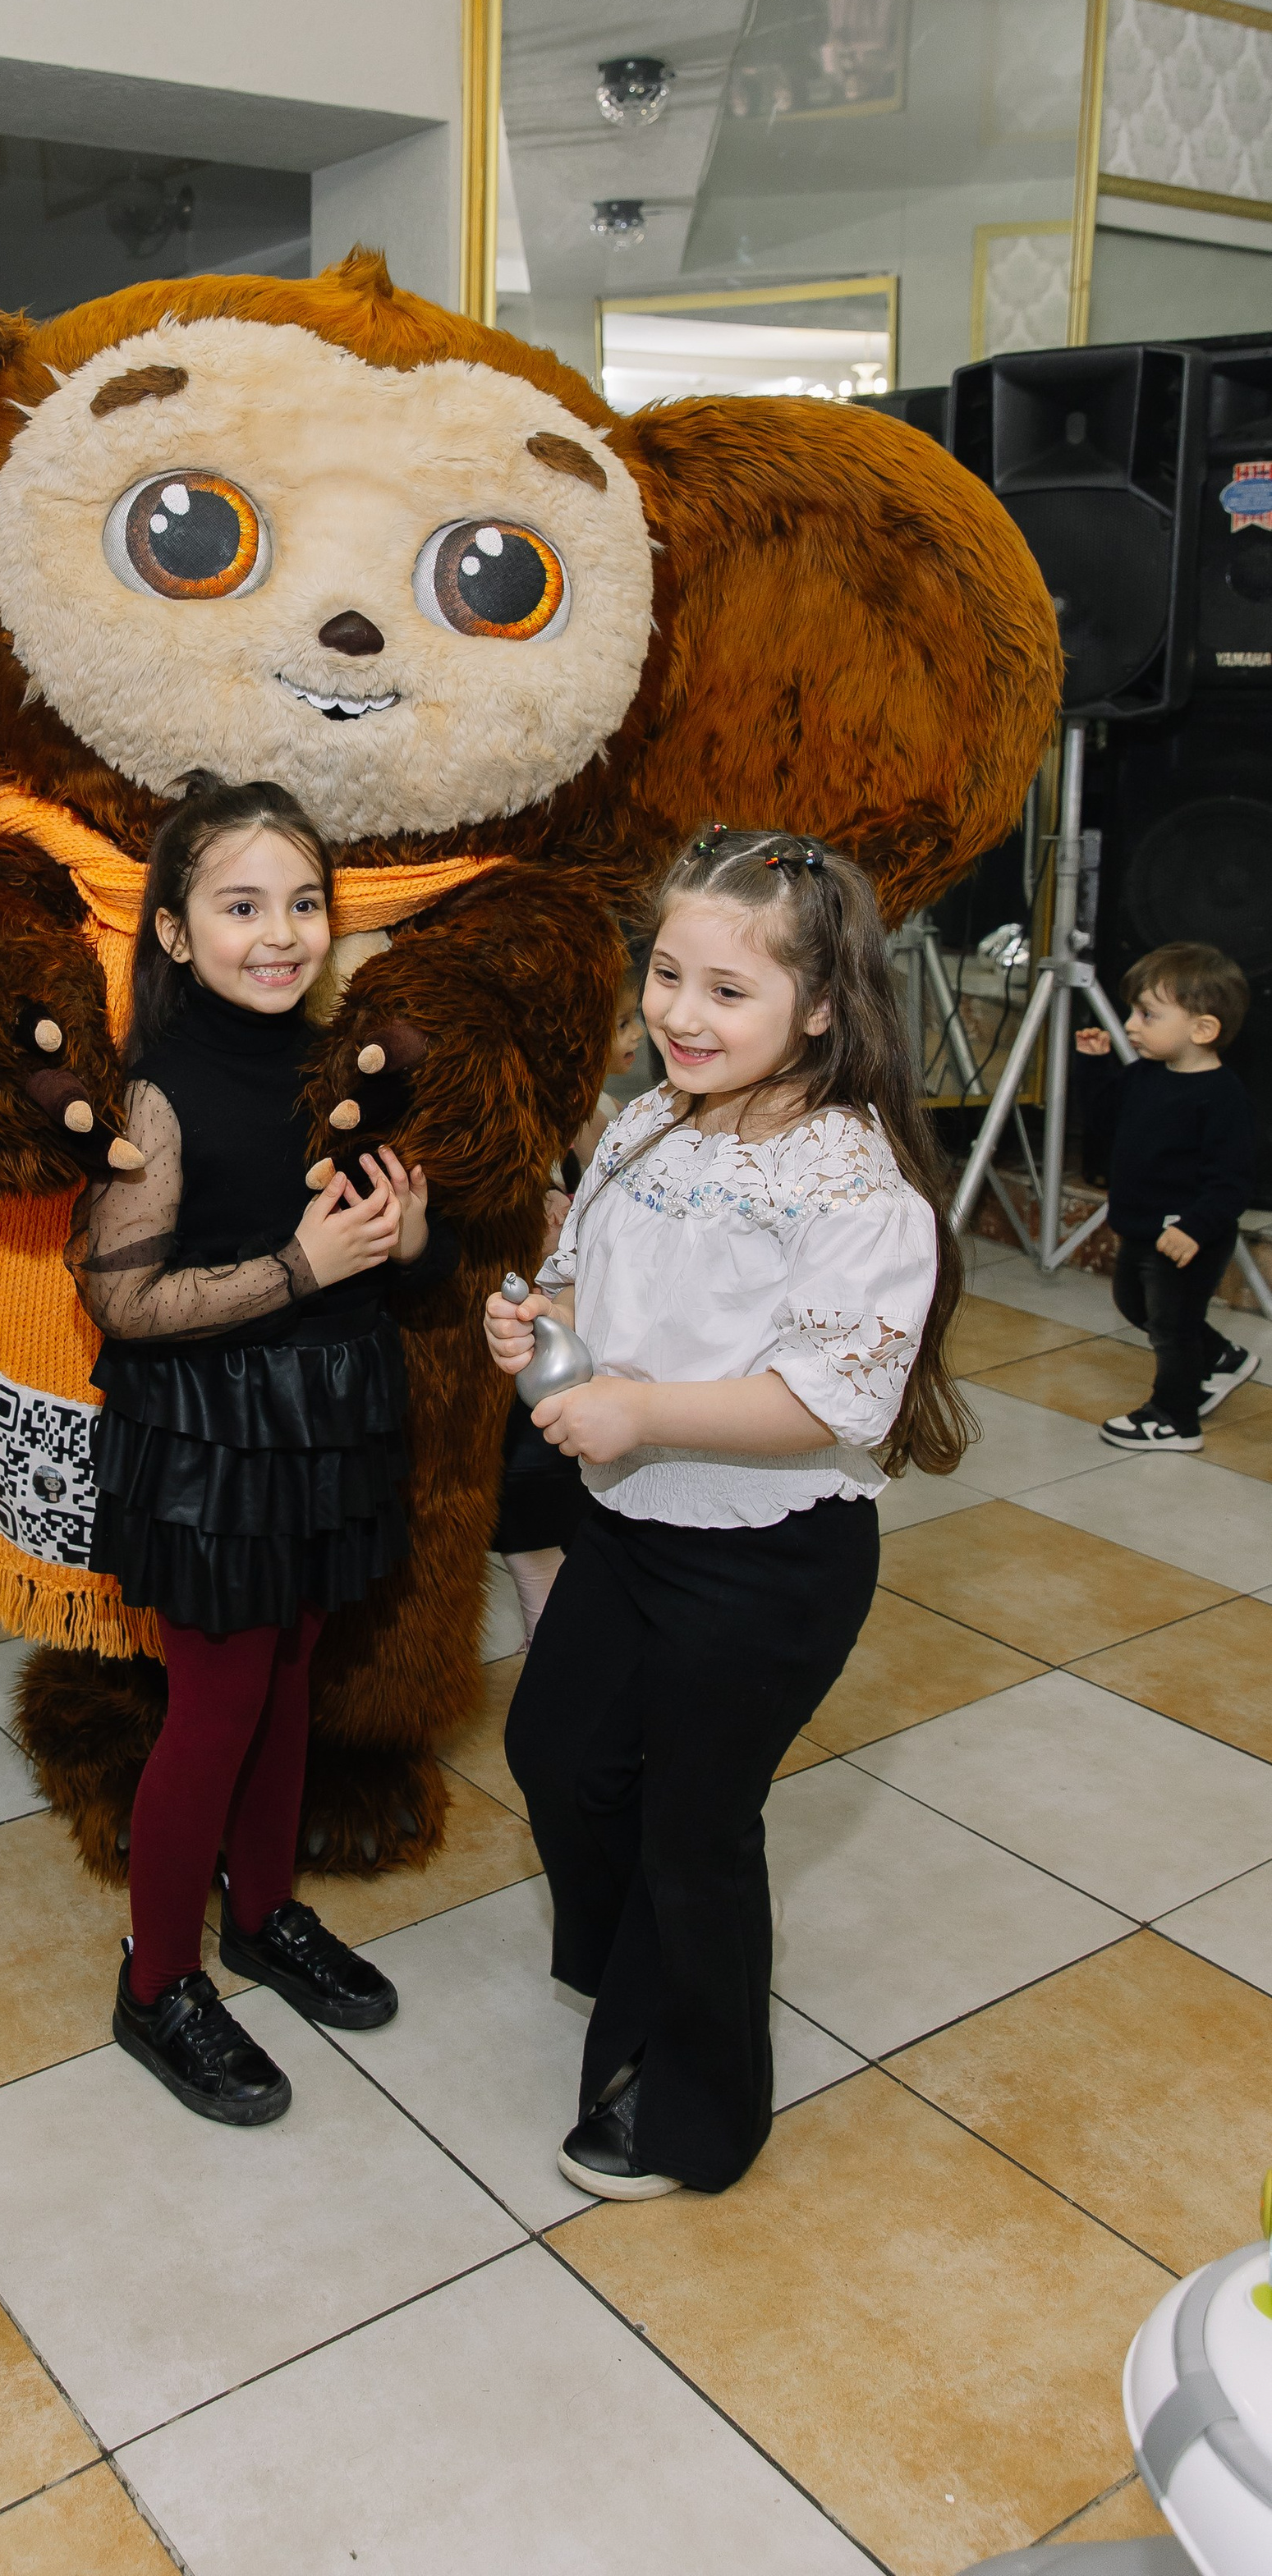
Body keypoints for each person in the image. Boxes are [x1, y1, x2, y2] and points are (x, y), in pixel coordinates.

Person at [491, 828, 967, 2202]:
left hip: (769, 1561)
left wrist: (640, 1411)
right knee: (558, 1752)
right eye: (666, 976)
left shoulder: (850, 1178)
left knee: (700, 1831)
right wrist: (541, 1331)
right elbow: (587, 1289)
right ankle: (633, 1965)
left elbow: (831, 1399)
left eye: (728, 992)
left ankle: (698, 2111)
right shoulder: (646, 1124)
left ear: (822, 1006)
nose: (681, 1017)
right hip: (636, 1526)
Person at [75, 776, 449, 2126]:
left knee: (294, 1677)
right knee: (215, 1708)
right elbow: (117, 1296)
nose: (280, 934)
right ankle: (157, 1978)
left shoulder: (331, 1060)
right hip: (215, 1443)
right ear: (173, 932)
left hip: (325, 1418)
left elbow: (395, 1246)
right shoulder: (159, 1098)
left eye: (302, 904)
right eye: (241, 906)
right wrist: (299, 1267)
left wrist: (405, 1237)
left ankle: (265, 1910)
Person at [494, 966, 646, 1646]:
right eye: (621, 1024)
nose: (639, 1035)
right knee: (532, 1510)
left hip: (584, 1352)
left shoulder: (610, 1118)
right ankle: (545, 1633)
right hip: (525, 1353)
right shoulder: (519, 1130)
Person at [1075, 941, 1259, 1453]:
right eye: (1133, 1011)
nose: (1131, 1024)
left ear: (1203, 1029)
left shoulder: (1222, 1100)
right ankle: (1221, 1357)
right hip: (1142, 1227)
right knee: (1137, 1306)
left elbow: (1232, 1182)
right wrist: (1095, 1067)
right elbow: (1107, 1120)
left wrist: (1195, 1228)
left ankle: (1175, 1418)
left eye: (1148, 1014)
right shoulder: (1145, 1076)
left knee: (1172, 1329)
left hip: (1187, 1234)